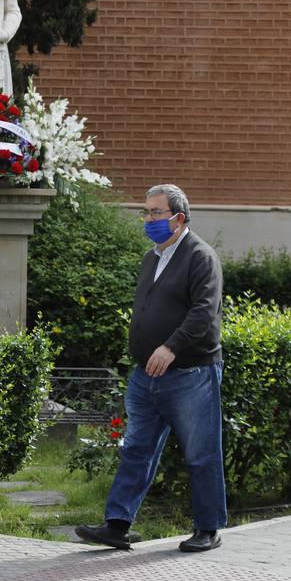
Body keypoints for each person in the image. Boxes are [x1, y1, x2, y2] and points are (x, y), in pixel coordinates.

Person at [76, 183, 227, 553]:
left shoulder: (200, 256)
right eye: (146, 212)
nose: (148, 219)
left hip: (190, 373)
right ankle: (117, 525)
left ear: (178, 217)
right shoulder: (152, 258)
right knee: (137, 449)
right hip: (146, 375)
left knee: (200, 451)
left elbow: (204, 313)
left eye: (156, 213)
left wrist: (171, 347)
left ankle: (208, 528)